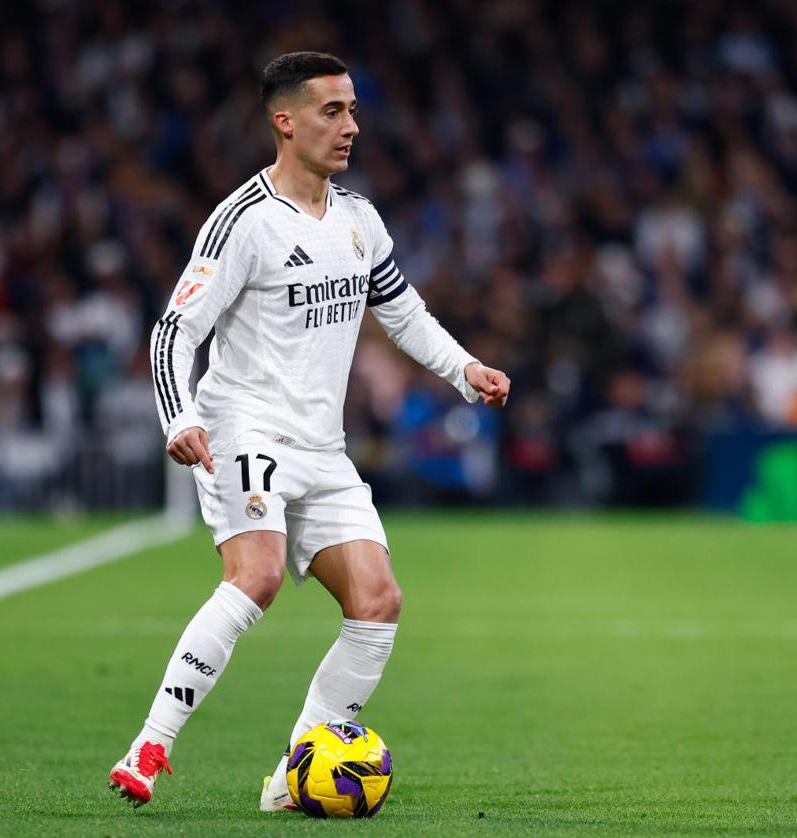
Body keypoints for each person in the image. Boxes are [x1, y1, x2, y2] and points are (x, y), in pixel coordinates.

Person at [108, 52, 510, 811]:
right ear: (284, 122)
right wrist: (181, 417)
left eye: (354, 109)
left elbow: (403, 312)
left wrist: (465, 370)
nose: (351, 126)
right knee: (254, 576)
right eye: (332, 111)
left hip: (321, 447)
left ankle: (294, 776)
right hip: (243, 427)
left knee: (378, 599)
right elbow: (173, 332)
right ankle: (150, 747)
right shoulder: (243, 223)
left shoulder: (359, 219)